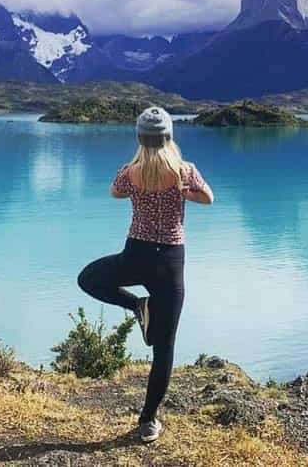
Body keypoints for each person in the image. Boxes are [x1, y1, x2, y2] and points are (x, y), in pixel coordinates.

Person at [77, 105, 214, 443]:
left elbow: (115, 191)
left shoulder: (131, 171)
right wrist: (186, 192)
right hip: (169, 263)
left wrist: (138, 188)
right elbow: (208, 199)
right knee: (164, 347)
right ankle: (148, 421)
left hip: (135, 254)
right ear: (169, 137)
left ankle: (137, 305)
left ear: (139, 137)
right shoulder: (184, 171)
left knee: (88, 279)